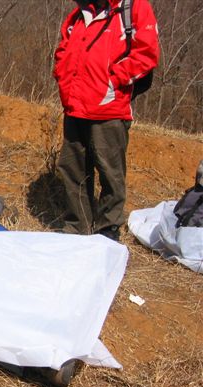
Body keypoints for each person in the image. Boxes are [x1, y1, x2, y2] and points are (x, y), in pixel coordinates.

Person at [53, 0, 159, 241]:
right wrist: (62, 76)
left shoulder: (133, 8)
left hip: (109, 108)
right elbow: (63, 51)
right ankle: (77, 228)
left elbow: (146, 53)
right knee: (72, 169)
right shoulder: (78, 15)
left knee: (110, 172)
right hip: (74, 106)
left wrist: (113, 81)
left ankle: (107, 230)